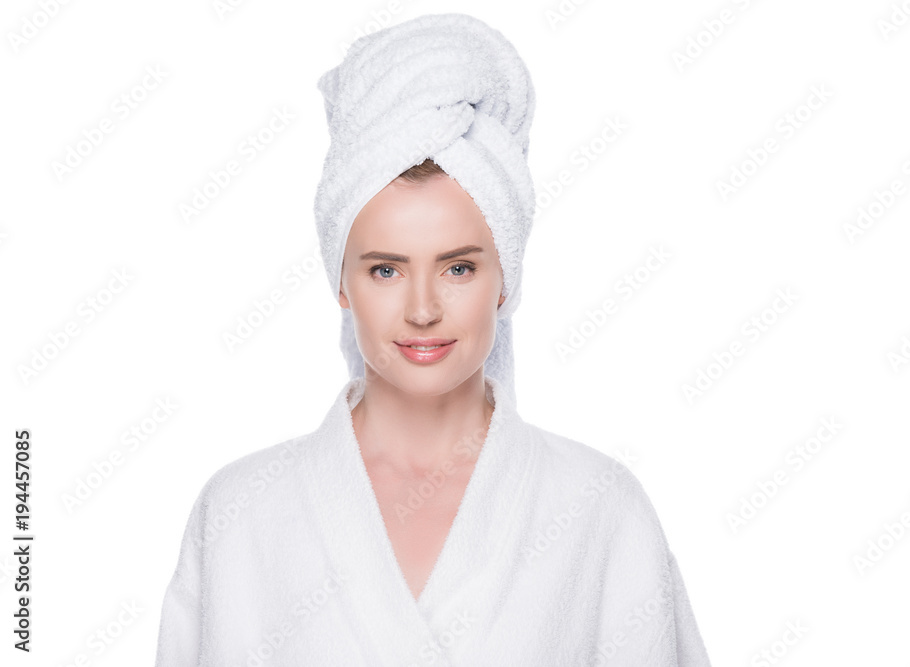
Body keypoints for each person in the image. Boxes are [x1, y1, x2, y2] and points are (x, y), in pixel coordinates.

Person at [154, 13, 712, 666]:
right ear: (341, 282)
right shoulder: (241, 515)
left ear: (505, 280)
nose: (422, 310)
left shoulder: (601, 511)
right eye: (385, 270)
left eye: (458, 268)